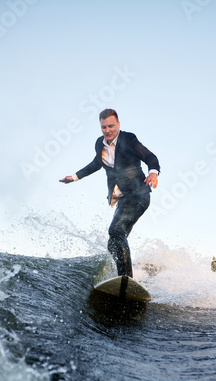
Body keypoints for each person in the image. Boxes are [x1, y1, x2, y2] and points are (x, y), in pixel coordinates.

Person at [59, 108, 160, 278]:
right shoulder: (100, 143)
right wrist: (74, 177)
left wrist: (153, 172)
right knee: (114, 242)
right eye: (104, 127)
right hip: (122, 199)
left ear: (118, 125)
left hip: (138, 195)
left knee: (115, 231)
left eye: (111, 126)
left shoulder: (128, 140)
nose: (108, 130)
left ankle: (126, 279)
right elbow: (96, 164)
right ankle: (122, 275)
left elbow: (150, 157)